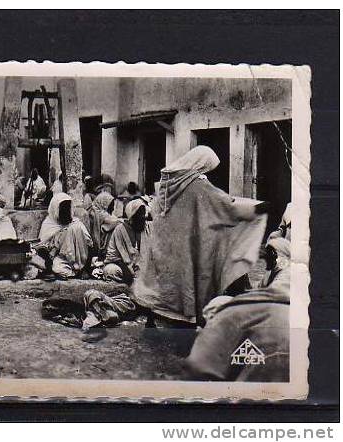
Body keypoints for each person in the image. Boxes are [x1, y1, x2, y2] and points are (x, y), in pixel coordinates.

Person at [133, 145, 268, 326]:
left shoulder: (168, 183)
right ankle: (185, 322)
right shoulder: (197, 185)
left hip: (166, 243)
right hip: (187, 245)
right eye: (208, 168)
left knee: (165, 282)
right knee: (188, 281)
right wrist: (255, 208)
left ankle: (153, 317)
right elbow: (224, 205)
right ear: (203, 164)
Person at [183, 237, 290, 381]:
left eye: (271, 255)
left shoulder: (287, 273)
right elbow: (256, 293)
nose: (267, 260)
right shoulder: (273, 274)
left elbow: (196, 369)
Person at [38, 192, 93, 279]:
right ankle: (75, 273)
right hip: (62, 259)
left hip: (80, 261)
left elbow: (89, 245)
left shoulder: (77, 224)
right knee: (57, 268)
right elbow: (43, 247)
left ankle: (80, 270)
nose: (66, 211)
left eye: (68, 208)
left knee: (74, 228)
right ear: (55, 209)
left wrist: (86, 268)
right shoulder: (49, 224)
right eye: (63, 208)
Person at [102, 198, 148, 284]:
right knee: (110, 270)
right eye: (139, 214)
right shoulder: (120, 229)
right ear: (131, 216)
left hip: (143, 266)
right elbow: (113, 257)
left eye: (143, 214)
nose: (142, 217)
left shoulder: (146, 228)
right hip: (121, 264)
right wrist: (127, 268)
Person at [88, 191, 121, 259]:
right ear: (105, 204)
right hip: (95, 245)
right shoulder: (99, 214)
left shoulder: (95, 210)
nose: (113, 209)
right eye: (111, 206)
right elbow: (114, 221)